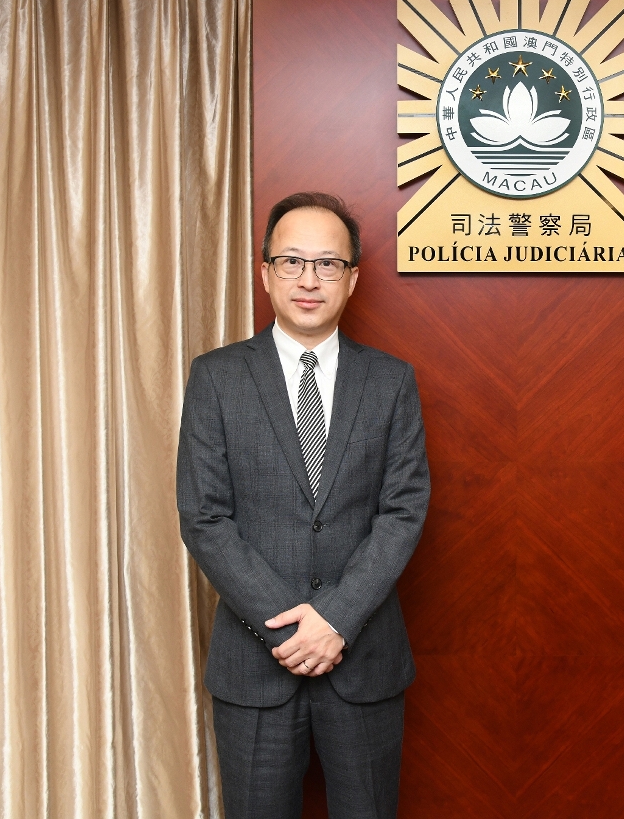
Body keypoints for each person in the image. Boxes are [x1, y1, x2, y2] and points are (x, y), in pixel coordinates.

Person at [177, 192, 430, 819]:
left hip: (363, 659)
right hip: (256, 663)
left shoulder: (391, 381)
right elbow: (204, 516)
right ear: (265, 273)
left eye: (327, 263)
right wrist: (293, 631)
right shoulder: (216, 377)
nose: (308, 280)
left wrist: (335, 620)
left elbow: (403, 511)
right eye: (291, 261)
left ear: (353, 278)